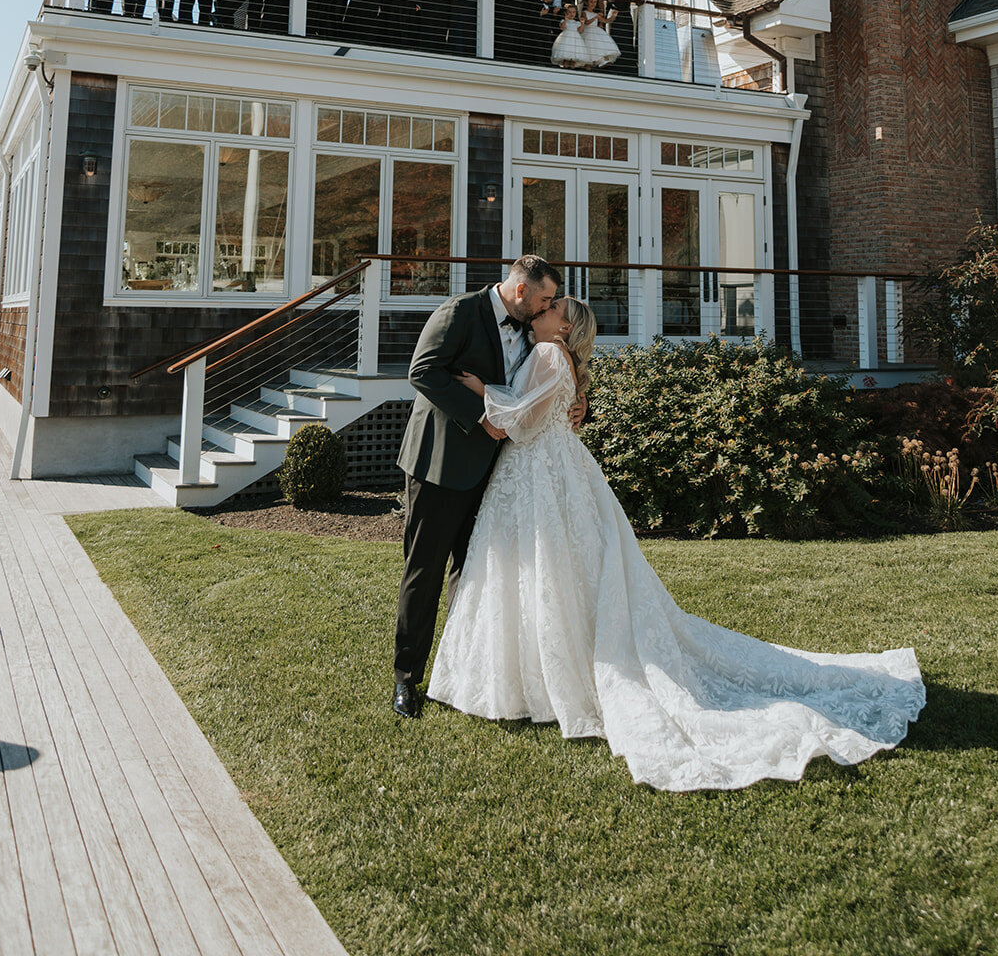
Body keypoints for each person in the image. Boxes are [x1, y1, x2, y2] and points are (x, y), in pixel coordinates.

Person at [427, 297, 926, 792]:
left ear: (564, 328)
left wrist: (480, 392)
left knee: (544, 571)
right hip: (552, 470)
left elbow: (525, 419)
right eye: (543, 305)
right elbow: (547, 408)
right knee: (556, 570)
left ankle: (540, 680)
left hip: (541, 472)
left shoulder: (548, 354)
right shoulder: (560, 359)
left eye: (552, 310)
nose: (541, 312)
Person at [393, 255, 572, 718]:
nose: (548, 306)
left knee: (473, 575)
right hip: (439, 466)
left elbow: (547, 380)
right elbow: (423, 371)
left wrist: (579, 400)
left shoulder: (534, 330)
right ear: (520, 291)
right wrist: (479, 417)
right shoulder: (459, 312)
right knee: (425, 572)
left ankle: (459, 674)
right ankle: (406, 679)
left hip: (494, 474)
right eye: (546, 298)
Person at [552, 1, 587, 69]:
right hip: (566, 39)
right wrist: (565, 20)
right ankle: (565, 68)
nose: (572, 14)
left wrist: (582, 23)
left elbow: (581, 31)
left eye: (574, 12)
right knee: (565, 58)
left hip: (575, 40)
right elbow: (562, 27)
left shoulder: (577, 22)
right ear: (566, 13)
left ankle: (572, 70)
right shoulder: (563, 21)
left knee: (573, 58)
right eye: (570, 12)